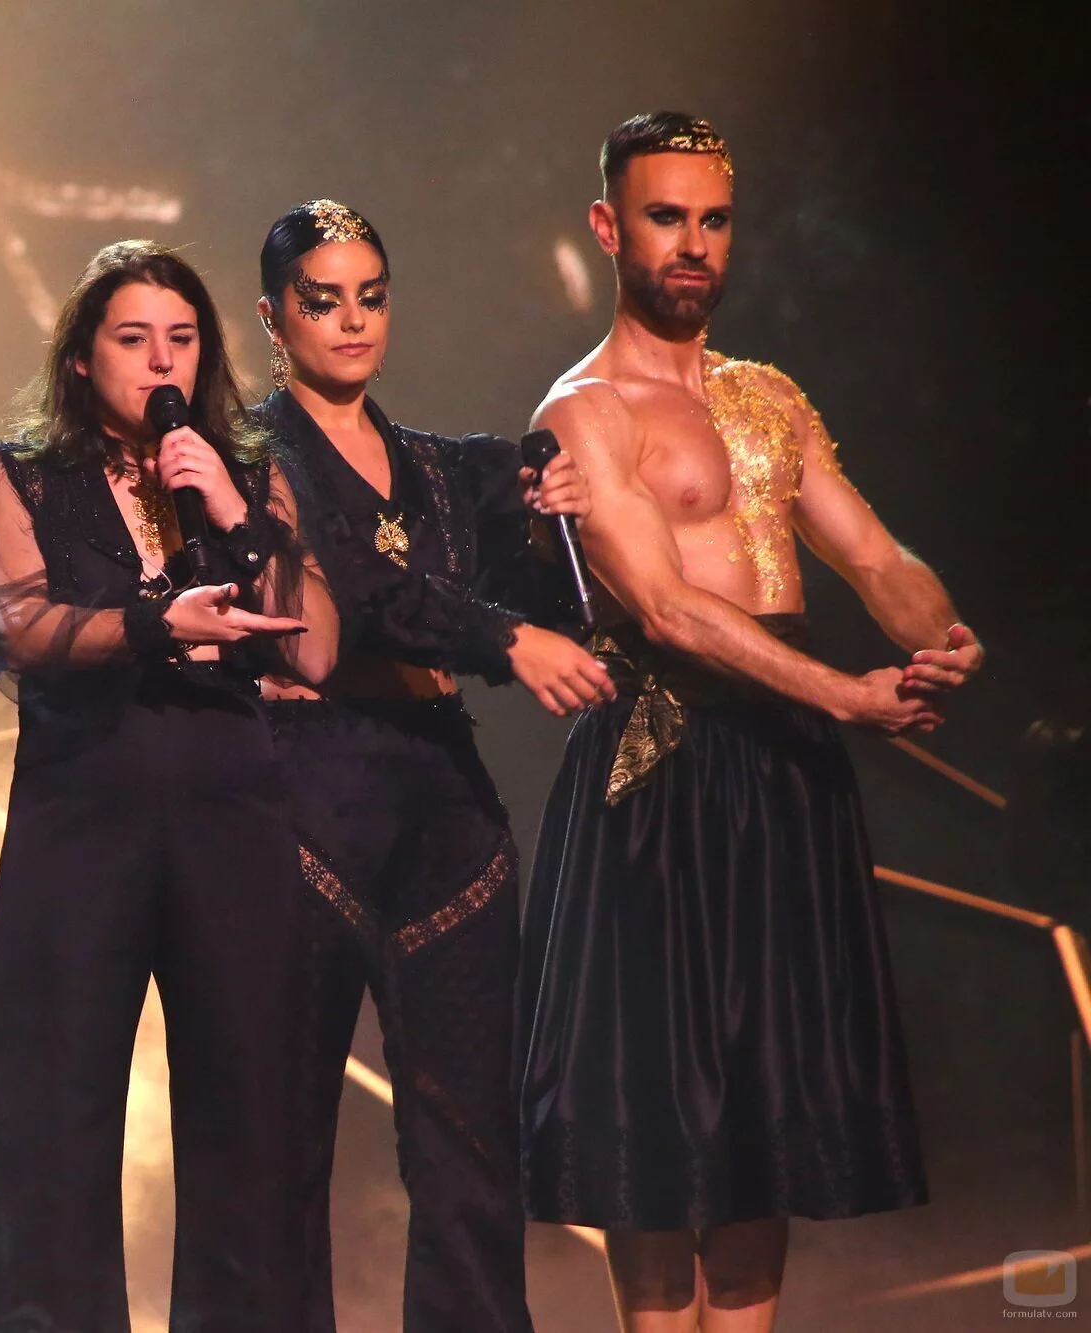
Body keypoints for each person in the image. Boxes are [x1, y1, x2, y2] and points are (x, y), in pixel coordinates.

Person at [516, 113, 984, 1332]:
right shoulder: (582, 410)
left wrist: (939, 635)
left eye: (712, 220)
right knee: (655, 1121)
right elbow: (663, 610)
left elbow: (871, 555)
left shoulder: (766, 393)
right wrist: (844, 694)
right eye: (665, 218)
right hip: (661, 766)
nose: (692, 245)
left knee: (762, 1114)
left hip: (783, 770)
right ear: (607, 227)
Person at [249, 199, 613, 1333]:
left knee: (470, 1142)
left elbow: (559, 607)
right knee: (280, 1139)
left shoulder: (446, 470)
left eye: (370, 296)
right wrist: (506, 637)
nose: (352, 320)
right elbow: (359, 591)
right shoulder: (251, 457)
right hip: (308, 797)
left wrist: (550, 523)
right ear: (272, 317)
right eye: (322, 301)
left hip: (446, 800)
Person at [0, 239, 331, 1332]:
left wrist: (233, 512)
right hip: (83, 817)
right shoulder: (20, 473)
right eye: (133, 339)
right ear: (82, 356)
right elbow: (16, 627)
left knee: (248, 1117)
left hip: (231, 813)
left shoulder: (248, 473)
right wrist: (152, 624)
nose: (162, 362)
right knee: (58, 1116)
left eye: (181, 338)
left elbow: (314, 648)